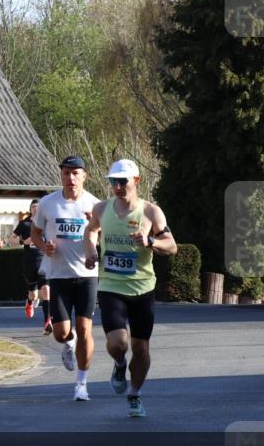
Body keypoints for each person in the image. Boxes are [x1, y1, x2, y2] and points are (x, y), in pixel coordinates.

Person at [85, 159, 177, 418]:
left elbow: (171, 246)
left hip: (142, 289)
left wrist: (150, 242)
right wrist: (91, 250)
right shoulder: (101, 209)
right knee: (118, 343)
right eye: (113, 181)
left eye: (122, 181)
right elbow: (90, 231)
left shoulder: (151, 212)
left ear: (136, 181)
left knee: (141, 348)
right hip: (111, 286)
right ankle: (118, 363)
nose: (117, 186)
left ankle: (135, 394)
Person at [30, 156, 101, 402]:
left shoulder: (95, 204)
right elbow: (35, 233)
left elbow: (105, 234)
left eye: (75, 173)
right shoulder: (48, 203)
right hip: (58, 275)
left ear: (84, 175)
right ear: (61, 175)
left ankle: (81, 384)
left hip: (87, 275)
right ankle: (68, 344)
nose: (71, 178)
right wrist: (44, 247)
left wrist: (96, 241)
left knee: (85, 329)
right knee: (61, 332)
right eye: (66, 173)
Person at [12, 199, 53, 335]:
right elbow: (11, 240)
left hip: (44, 259)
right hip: (29, 261)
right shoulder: (24, 224)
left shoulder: (46, 223)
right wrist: (24, 241)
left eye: (37, 207)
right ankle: (29, 301)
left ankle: (47, 321)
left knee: (46, 290)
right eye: (33, 207)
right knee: (34, 294)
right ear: (30, 209)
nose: (35, 209)